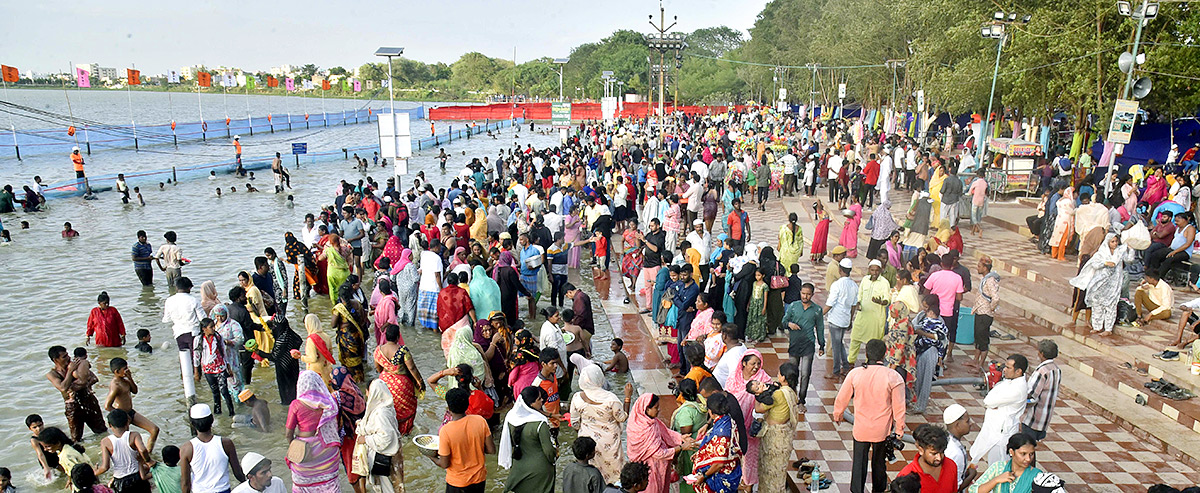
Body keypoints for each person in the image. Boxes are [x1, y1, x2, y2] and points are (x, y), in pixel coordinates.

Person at [833, 339, 906, 493]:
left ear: (866, 354)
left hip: (861, 429)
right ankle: (878, 490)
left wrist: (838, 414)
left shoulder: (855, 374)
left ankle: (857, 490)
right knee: (879, 464)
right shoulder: (893, 376)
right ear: (885, 354)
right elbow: (899, 406)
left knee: (859, 463)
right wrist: (899, 429)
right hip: (882, 431)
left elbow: (842, 397)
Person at [285, 370, 342, 492]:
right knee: (330, 484)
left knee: (303, 487)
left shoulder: (296, 405)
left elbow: (288, 433)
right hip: (328, 450)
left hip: (305, 451)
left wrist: (294, 445)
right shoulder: (330, 403)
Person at [626, 393, 695, 493]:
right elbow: (659, 453)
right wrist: (681, 447)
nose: (658, 410)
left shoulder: (652, 421)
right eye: (656, 408)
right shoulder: (641, 428)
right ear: (646, 409)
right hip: (649, 469)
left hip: (660, 466)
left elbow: (665, 432)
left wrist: (681, 437)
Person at [970, 354, 1030, 466]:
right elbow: (992, 395)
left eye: (1008, 368)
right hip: (995, 430)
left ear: (1018, 372)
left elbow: (988, 401)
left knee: (997, 467)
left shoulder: (1017, 389)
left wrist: (992, 404)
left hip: (1001, 435)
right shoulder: (1009, 381)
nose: (1004, 370)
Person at [1068, 234, 1133, 335]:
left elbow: (1129, 259)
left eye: (1116, 241)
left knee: (1111, 306)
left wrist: (1131, 249)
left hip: (1114, 284)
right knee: (1097, 305)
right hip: (1100, 283)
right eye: (1112, 241)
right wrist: (1105, 263)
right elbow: (1094, 264)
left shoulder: (1120, 252)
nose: (1115, 244)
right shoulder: (1101, 253)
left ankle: (1108, 329)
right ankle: (1097, 326)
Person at [434, 387, 495, 493]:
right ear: (467, 404)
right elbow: (491, 450)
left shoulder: (446, 430)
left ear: (448, 407)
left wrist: (430, 456)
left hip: (457, 483)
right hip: (479, 479)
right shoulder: (480, 421)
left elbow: (444, 464)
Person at [754, 363, 801, 493]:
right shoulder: (792, 392)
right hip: (784, 435)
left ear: (783, 378)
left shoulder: (778, 395)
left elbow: (758, 409)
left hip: (774, 437)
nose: (777, 375)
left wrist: (756, 394)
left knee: (770, 471)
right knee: (779, 471)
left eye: (779, 374)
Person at [500, 386, 556, 493]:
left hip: (519, 468)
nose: (542, 400)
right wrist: (555, 454)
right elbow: (549, 451)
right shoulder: (540, 423)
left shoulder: (511, 417)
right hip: (540, 470)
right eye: (539, 399)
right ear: (531, 404)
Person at [179, 404, 246, 493]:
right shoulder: (226, 443)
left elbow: (185, 483)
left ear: (192, 424)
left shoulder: (186, 449)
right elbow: (238, 473)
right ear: (212, 420)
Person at [353, 379, 405, 493]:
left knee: (387, 488)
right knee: (395, 485)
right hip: (392, 456)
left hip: (384, 458)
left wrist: (365, 439)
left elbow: (386, 437)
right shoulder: (386, 407)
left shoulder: (380, 413)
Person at [46, 345, 106, 443]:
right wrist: (70, 371)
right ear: (55, 360)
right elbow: (63, 387)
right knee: (76, 438)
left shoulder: (77, 366)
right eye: (64, 356)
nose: (69, 358)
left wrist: (81, 385)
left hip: (89, 401)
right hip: (72, 407)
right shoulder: (53, 374)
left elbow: (94, 378)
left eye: (68, 355)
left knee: (101, 431)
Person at [375, 324, 424, 435]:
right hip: (402, 383)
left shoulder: (378, 350)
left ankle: (390, 431)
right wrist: (419, 381)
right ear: (398, 337)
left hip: (384, 382)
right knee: (407, 408)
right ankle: (405, 433)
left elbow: (378, 368)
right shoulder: (402, 350)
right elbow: (412, 368)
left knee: (389, 407)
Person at [686, 395, 741, 493]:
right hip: (732, 468)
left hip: (722, 476)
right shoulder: (725, 419)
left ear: (711, 412)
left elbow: (719, 463)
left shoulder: (722, 431)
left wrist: (704, 476)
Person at [103, 358, 160, 453]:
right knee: (126, 442)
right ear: (117, 371)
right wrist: (123, 416)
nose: (128, 370)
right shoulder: (115, 385)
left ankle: (148, 454)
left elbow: (135, 391)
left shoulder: (125, 380)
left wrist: (130, 378)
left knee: (154, 429)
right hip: (122, 417)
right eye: (125, 369)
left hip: (130, 412)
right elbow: (107, 406)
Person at [782, 282, 824, 403]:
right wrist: (789, 324)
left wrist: (822, 345)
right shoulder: (794, 306)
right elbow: (784, 321)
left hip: (808, 344)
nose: (805, 296)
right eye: (803, 293)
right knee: (792, 373)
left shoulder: (817, 310)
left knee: (805, 374)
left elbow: (820, 328)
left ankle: (801, 399)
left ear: (812, 295)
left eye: (808, 294)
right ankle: (792, 396)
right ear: (800, 292)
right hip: (794, 344)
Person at [95, 409, 150, 493]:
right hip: (137, 476)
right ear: (128, 421)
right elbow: (142, 450)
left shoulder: (105, 442)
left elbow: (105, 467)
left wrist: (94, 472)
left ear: (110, 425)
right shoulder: (134, 435)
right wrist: (148, 461)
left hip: (120, 481)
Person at [850, 260, 892, 365]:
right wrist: (858, 303)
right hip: (863, 316)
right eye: (872, 270)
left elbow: (887, 300)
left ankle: (870, 364)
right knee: (855, 339)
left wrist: (880, 302)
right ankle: (850, 362)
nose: (874, 273)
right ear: (869, 270)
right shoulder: (865, 280)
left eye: (877, 270)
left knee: (873, 343)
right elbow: (859, 295)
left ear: (881, 270)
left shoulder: (884, 283)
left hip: (876, 319)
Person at [967, 434, 1041, 493]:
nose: (1028, 459)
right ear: (1011, 452)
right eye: (1023, 454)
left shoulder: (1037, 476)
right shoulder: (998, 467)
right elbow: (973, 490)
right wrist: (996, 480)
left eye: (1031, 454)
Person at [193, 318, 236, 416]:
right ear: (204, 329)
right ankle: (218, 413)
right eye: (211, 327)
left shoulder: (218, 337)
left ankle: (231, 413)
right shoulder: (198, 340)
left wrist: (228, 367)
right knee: (215, 392)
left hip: (220, 368)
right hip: (208, 370)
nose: (213, 328)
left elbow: (223, 353)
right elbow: (196, 356)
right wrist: (196, 372)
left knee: (224, 391)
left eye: (213, 326)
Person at [896, 424, 957, 493]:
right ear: (921, 450)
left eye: (942, 452)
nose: (939, 458)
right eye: (934, 454)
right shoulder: (906, 476)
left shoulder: (951, 465)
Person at [671, 379, 706, 493]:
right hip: (701, 442)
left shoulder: (686, 411)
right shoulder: (701, 401)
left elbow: (686, 434)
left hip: (690, 447)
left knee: (689, 475)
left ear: (682, 394)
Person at [1021, 340, 1061, 441]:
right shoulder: (1056, 369)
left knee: (1027, 444)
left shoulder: (1042, 371)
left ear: (1042, 354)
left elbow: (1032, 393)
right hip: (1046, 416)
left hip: (1034, 418)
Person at [825, 258, 857, 378]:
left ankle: (836, 371)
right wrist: (850, 320)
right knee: (840, 343)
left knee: (836, 345)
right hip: (845, 319)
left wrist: (819, 314)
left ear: (840, 270)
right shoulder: (854, 285)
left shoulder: (837, 285)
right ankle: (846, 366)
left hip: (836, 319)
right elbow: (854, 305)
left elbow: (830, 303)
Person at [943, 404, 978, 491]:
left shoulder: (946, 439)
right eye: (967, 421)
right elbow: (955, 488)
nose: (970, 424)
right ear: (957, 425)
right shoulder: (956, 452)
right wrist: (971, 476)